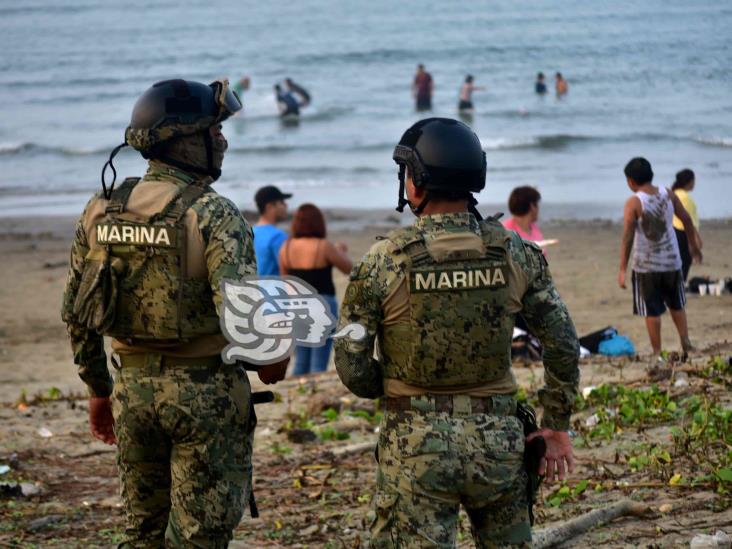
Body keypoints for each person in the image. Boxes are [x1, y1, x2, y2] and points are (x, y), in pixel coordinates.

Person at [61, 78, 289, 548]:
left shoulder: (102, 209)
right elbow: (245, 324)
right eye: (214, 131)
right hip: (205, 398)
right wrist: (274, 359)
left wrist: (98, 389)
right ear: (185, 141)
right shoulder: (213, 214)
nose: (222, 140)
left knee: (142, 533)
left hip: (133, 395)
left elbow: (78, 312)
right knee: (199, 537)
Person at [334, 117, 580, 547]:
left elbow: (352, 365)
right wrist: (556, 425)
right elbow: (561, 342)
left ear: (415, 183)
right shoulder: (515, 253)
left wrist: (390, 382)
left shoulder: (383, 261)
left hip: (414, 444)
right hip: (499, 442)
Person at [618, 157, 702, 364]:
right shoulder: (668, 193)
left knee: (652, 310)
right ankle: (685, 341)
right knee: (677, 304)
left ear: (630, 181)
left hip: (646, 267)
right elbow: (686, 219)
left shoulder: (634, 202)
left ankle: (657, 352)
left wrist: (622, 268)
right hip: (672, 262)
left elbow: (628, 236)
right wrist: (692, 244)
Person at [279, 204, 352, 375]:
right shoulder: (323, 246)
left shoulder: (286, 247)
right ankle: (312, 393)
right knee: (319, 361)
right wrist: (341, 251)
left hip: (297, 306)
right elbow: (349, 269)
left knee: (301, 359)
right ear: (319, 223)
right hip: (322, 305)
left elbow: (285, 283)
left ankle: (299, 393)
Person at [253, 185, 292, 276]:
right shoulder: (277, 236)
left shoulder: (249, 232)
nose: (286, 205)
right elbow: (289, 272)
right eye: (282, 202)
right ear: (269, 207)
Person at [672, 168, 702, 281]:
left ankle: (676, 288)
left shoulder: (674, 193)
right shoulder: (685, 197)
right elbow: (688, 220)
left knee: (677, 262)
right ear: (689, 181)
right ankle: (679, 288)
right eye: (694, 180)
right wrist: (696, 238)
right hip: (682, 232)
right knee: (684, 261)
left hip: (674, 231)